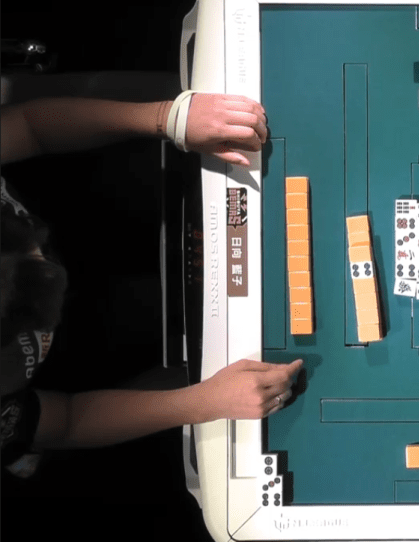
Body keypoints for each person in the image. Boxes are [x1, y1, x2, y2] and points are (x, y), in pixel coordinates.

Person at [1, 92, 304, 479]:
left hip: (80, 203)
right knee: (212, 344)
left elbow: (30, 127)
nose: (47, 263)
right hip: (86, 341)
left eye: (30, 250)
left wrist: (168, 118)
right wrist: (203, 402)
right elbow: (67, 421)